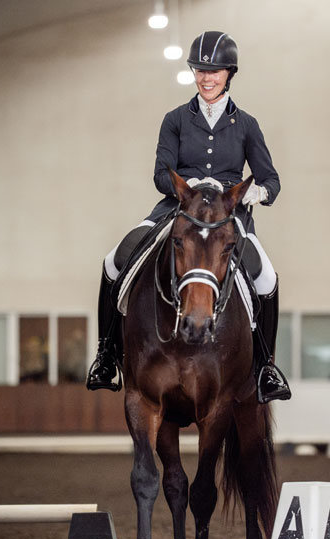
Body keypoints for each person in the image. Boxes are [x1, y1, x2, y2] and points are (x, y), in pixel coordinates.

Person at [86, 31, 291, 403]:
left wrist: (259, 193)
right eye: (200, 70)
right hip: (178, 209)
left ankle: (266, 367)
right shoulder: (176, 119)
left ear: (230, 73)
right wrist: (191, 184)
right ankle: (106, 354)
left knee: (266, 278)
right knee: (113, 261)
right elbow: (161, 174)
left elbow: (271, 179)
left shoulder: (246, 125)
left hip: (227, 218)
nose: (206, 78)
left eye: (214, 71)